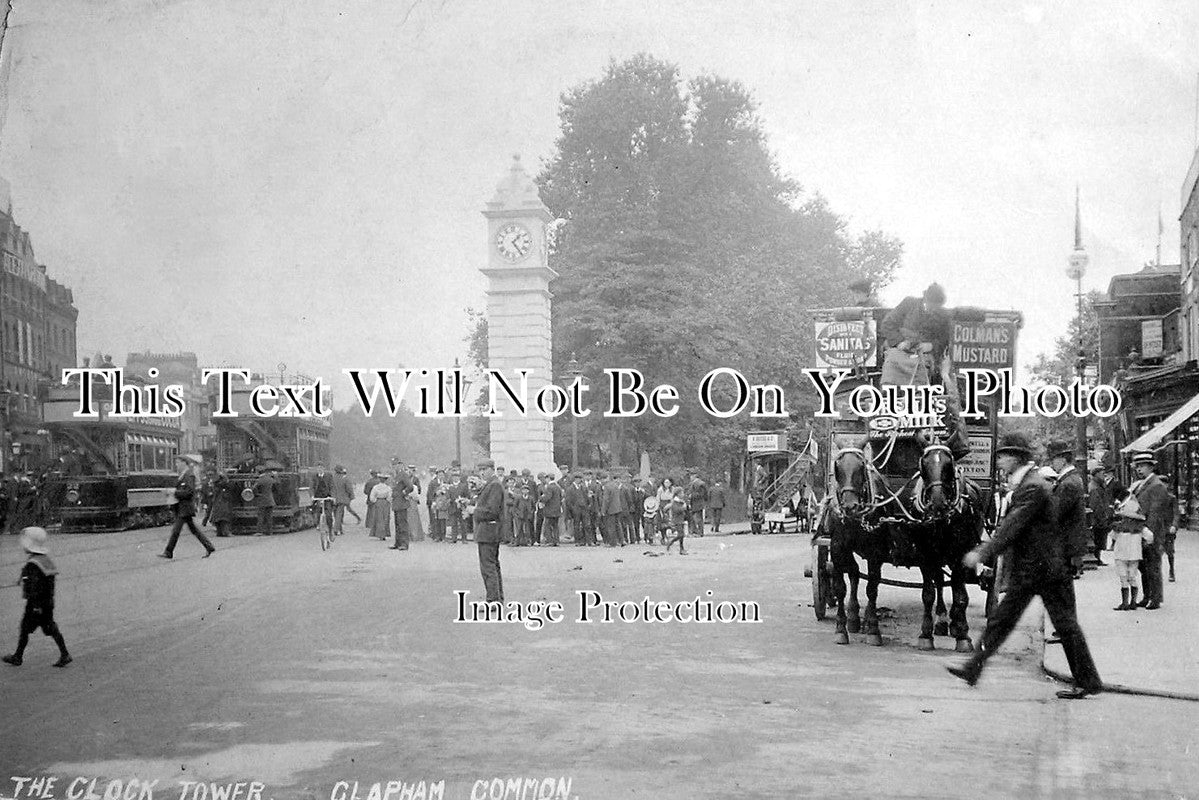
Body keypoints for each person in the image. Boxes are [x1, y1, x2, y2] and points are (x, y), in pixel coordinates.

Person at [947, 432, 1102, 699]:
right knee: (1006, 620)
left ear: (1018, 458)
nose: (999, 461)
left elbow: (1012, 526)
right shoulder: (1030, 482)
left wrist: (982, 552)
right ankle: (973, 668)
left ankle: (1088, 680)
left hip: (1042, 569)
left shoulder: (1032, 486)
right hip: (1039, 567)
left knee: (1059, 625)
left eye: (1004, 456)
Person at [879, 283, 969, 460]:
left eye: (936, 306)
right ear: (925, 299)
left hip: (923, 358)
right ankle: (891, 408)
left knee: (927, 379)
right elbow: (887, 324)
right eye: (930, 304)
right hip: (900, 354)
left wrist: (932, 345)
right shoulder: (908, 304)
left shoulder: (943, 316)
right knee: (891, 374)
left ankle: (920, 408)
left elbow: (944, 339)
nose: (932, 309)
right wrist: (899, 342)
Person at [3, 527, 71, 667]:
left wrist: (35, 606)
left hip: (36, 603)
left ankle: (18, 656)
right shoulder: (44, 560)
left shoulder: (33, 565)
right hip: (47, 602)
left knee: (25, 628)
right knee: (50, 627)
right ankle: (64, 654)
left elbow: (35, 587)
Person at [1130, 452, 1173, 608]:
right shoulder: (1144, 483)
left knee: (1153, 565)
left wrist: (1148, 532)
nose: (1139, 469)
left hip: (1151, 532)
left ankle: (1155, 598)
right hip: (1143, 529)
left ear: (1151, 467)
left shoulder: (1157, 485)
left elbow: (1155, 513)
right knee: (1144, 565)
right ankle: (1147, 595)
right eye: (1138, 466)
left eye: (1142, 466)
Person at [1047, 441, 1089, 579]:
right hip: (1069, 541)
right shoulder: (1072, 479)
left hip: (1066, 542)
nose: (1052, 464)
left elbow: (1057, 511)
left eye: (1053, 459)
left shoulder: (1068, 483)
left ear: (1063, 460)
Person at [160, 455, 215, 559]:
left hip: (185, 508)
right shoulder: (183, 475)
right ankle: (209, 547)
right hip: (182, 508)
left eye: (178, 462)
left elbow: (189, 492)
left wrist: (175, 492)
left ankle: (168, 552)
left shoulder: (189, 475)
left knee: (176, 531)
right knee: (194, 530)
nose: (176, 465)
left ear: (184, 463)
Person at [1109, 496, 1153, 611]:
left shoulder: (1118, 527)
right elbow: (1150, 537)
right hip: (1134, 554)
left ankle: (1124, 602)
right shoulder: (1140, 528)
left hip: (1120, 554)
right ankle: (1133, 602)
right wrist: (1145, 544)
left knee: (1123, 578)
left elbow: (1112, 536)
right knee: (1132, 577)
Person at [473, 459, 505, 603]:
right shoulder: (492, 484)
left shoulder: (494, 485)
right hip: (489, 531)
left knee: (488, 567)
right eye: (480, 470)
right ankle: (497, 598)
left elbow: (492, 511)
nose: (482, 473)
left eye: (484, 469)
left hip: (488, 531)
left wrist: (474, 511)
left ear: (492, 469)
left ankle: (493, 600)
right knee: (492, 565)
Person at [1087, 465, 1111, 566]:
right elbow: (1096, 504)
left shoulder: (1098, 485)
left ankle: (1098, 557)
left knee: (1100, 537)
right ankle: (1097, 557)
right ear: (1096, 474)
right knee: (1098, 538)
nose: (1103, 475)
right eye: (1101, 473)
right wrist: (1101, 516)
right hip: (1098, 518)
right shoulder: (1095, 487)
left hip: (1100, 516)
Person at [252, 465, 278, 537]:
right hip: (270, 500)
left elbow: (254, 488)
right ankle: (269, 531)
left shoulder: (259, 480)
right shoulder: (270, 479)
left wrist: (256, 495)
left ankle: (259, 531)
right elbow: (276, 484)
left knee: (261, 516)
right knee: (269, 516)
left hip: (262, 500)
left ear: (258, 472)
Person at [540, 471, 563, 546]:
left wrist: (541, 498)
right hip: (557, 509)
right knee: (555, 526)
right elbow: (561, 497)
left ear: (548, 478)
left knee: (547, 525)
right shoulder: (558, 487)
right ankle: (556, 541)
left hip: (550, 510)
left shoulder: (549, 487)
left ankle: (549, 541)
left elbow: (547, 497)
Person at [209, 471, 235, 538]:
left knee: (218, 519)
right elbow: (230, 485)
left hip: (217, 504)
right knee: (224, 519)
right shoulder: (223, 485)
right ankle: (226, 532)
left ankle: (219, 532)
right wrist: (226, 478)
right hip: (223, 504)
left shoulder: (215, 485)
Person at [331, 465, 355, 536]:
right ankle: (336, 529)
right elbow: (349, 489)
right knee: (339, 514)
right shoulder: (345, 478)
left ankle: (339, 529)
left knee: (335, 514)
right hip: (342, 499)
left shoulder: (332, 478)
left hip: (333, 498)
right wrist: (351, 497)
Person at [664, 486, 689, 554]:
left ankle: (682, 548)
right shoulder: (675, 501)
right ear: (678, 494)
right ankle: (671, 542)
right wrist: (683, 508)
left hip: (681, 519)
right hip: (677, 520)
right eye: (681, 493)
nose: (683, 494)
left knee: (681, 536)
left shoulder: (681, 501)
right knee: (681, 534)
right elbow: (676, 510)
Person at [369, 474, 393, 541]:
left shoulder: (375, 487)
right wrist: (388, 501)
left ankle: (379, 534)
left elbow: (372, 497)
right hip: (385, 502)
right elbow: (390, 497)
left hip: (378, 502)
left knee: (379, 518)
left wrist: (375, 501)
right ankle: (384, 534)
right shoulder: (388, 488)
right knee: (385, 518)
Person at [687, 473, 708, 537]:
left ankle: (700, 532)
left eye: (691, 476)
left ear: (694, 476)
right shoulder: (694, 483)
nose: (690, 478)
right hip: (694, 503)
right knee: (694, 518)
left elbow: (702, 494)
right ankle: (695, 531)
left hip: (698, 504)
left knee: (698, 518)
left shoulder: (700, 484)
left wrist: (691, 495)